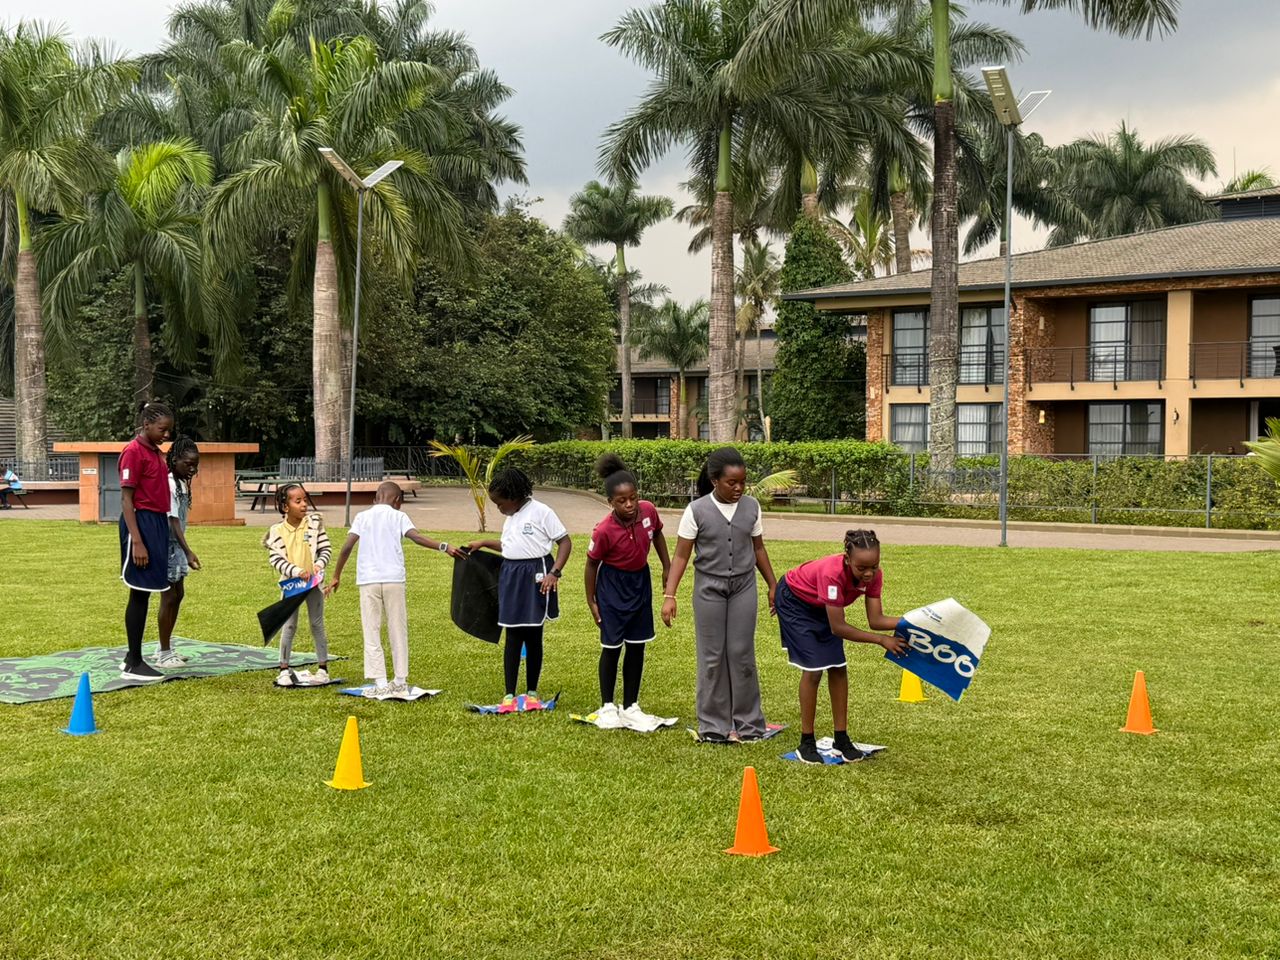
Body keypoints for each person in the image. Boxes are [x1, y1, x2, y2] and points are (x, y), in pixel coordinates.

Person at [662, 446, 778, 743]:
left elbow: (759, 549)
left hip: (743, 586)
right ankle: (713, 726)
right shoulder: (696, 510)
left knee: (741, 653)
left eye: (743, 482)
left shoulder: (752, 507)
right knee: (712, 656)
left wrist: (773, 585)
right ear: (715, 480)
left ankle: (750, 724)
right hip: (709, 588)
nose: (739, 488)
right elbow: (681, 556)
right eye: (732, 482)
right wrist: (670, 595)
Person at [776, 529, 909, 763]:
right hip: (795, 602)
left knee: (838, 667)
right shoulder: (832, 574)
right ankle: (806, 742)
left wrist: (915, 620)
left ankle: (841, 738)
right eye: (861, 568)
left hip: (823, 606)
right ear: (847, 559)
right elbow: (838, 627)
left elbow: (876, 620)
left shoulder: (874, 576)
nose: (869, 573)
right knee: (814, 669)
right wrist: (881, 640)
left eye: (874, 566)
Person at [327, 481, 464, 697]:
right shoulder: (399, 516)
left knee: (371, 630)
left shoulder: (362, 517)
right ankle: (400, 680)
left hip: (368, 581)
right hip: (394, 580)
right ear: (397, 500)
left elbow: (347, 546)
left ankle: (381, 683)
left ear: (375, 498)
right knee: (397, 629)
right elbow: (416, 537)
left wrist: (336, 575)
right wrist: (444, 546)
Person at [467, 467, 571, 711]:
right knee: (512, 635)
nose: (498, 508)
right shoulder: (511, 516)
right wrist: (483, 542)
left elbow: (565, 542)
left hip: (535, 575)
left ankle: (532, 691)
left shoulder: (541, 512)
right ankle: (509, 694)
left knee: (533, 634)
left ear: (513, 497)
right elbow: (509, 546)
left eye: (500, 503)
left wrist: (554, 572)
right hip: (511, 576)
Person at [584, 454, 672, 730]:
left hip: (640, 582)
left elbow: (658, 534)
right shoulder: (603, 530)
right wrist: (591, 600)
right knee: (612, 647)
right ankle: (608, 705)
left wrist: (666, 567)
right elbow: (591, 564)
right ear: (610, 502)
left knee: (637, 645)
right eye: (622, 501)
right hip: (612, 586)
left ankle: (631, 705)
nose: (630, 504)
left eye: (633, 498)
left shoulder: (648, 511)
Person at [118, 401, 176, 681]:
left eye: (168, 430)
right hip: (140, 523)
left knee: (146, 590)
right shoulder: (133, 452)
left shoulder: (155, 452)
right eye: (162, 429)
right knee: (139, 592)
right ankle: (135, 662)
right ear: (146, 425)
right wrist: (138, 542)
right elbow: (126, 500)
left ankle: (131, 658)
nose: (166, 434)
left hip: (156, 523)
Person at [262, 482, 331, 686]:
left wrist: (318, 565)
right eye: (298, 501)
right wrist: (296, 571)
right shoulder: (276, 531)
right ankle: (284, 669)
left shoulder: (314, 524)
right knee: (289, 625)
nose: (304, 505)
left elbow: (325, 549)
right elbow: (276, 560)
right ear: (285, 507)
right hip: (292, 585)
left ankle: (323, 669)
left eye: (305, 500)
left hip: (313, 584)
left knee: (317, 623)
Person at [156, 437, 201, 667]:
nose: (192, 469)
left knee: (178, 594)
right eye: (188, 464)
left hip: (177, 547)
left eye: (195, 465)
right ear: (174, 460)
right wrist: (188, 551)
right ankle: (164, 653)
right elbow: (173, 521)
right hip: (170, 547)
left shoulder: (181, 482)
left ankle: (164, 645)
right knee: (169, 597)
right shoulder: (170, 484)